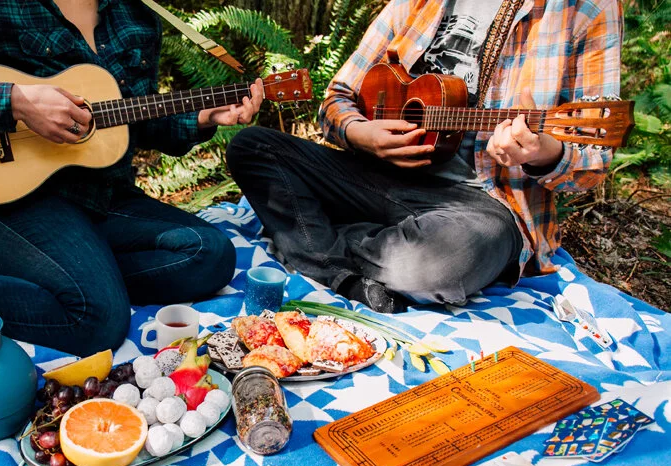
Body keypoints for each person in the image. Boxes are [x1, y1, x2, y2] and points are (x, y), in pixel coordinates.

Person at [0, 0, 263, 354]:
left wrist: (202, 117)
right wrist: (15, 102)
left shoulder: (136, 14)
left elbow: (130, 121)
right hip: (13, 203)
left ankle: (76, 280)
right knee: (97, 322)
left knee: (211, 255)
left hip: (107, 199)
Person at [227, 0, 621, 313]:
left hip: (482, 204)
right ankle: (340, 247)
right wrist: (360, 133)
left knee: (438, 265)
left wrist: (541, 152)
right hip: (374, 176)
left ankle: (312, 240)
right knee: (252, 146)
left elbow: (592, 161)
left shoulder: (585, 8)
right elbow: (336, 99)